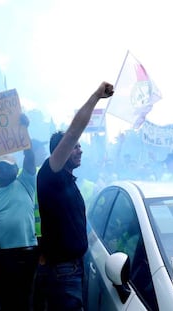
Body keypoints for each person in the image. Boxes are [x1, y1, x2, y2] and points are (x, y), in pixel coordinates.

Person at [34, 81, 114, 310]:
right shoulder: (50, 175)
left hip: (74, 267)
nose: (80, 149)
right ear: (63, 151)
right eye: (75, 146)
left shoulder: (68, 181)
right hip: (64, 272)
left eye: (80, 146)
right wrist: (96, 96)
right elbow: (72, 132)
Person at [0, 114, 38, 311]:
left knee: (27, 299)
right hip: (3, 256)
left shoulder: (26, 182)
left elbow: (29, 157)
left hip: (28, 253)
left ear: (15, 169)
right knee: (8, 299)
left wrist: (23, 130)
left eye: (6, 166)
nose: (2, 169)